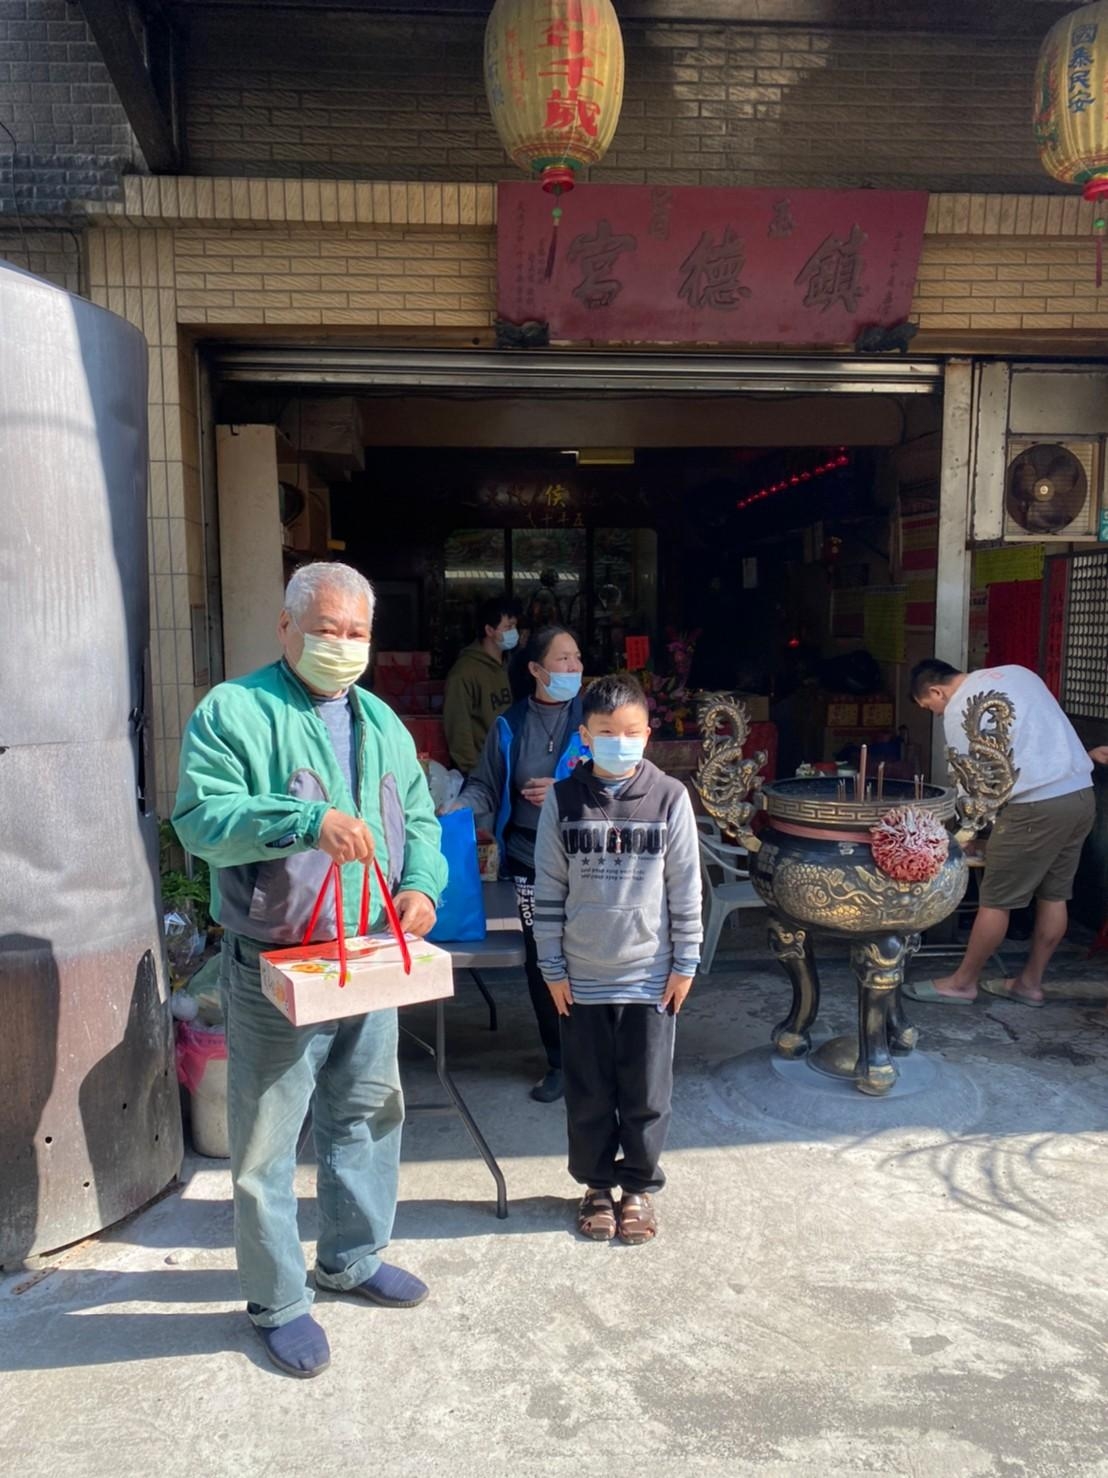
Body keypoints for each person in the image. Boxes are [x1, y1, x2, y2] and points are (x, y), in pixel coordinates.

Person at [172, 562, 447, 1379]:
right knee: (266, 1142)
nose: (342, 645)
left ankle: (352, 1259)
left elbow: (420, 816)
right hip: (278, 961)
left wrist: (420, 885)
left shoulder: (382, 721)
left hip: (366, 956)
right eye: (327, 629)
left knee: (367, 1114)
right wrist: (305, 821)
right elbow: (201, 820)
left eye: (357, 632)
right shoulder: (234, 711)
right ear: (286, 627)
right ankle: (277, 1300)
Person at [532, 675, 703, 1244]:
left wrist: (686, 963)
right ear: (584, 735)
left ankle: (638, 1190)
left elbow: (685, 887)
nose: (620, 742)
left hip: (650, 977)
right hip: (581, 979)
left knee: (647, 1096)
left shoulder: (669, 797)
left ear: (648, 735)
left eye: (631, 732)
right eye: (606, 732)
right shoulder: (564, 799)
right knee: (589, 1094)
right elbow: (548, 889)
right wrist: (552, 968)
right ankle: (597, 1187)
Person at [906, 658, 1096, 1008]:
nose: (935, 713)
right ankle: (1029, 984)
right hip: (1080, 794)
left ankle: (962, 983)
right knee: (1054, 896)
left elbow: (974, 784)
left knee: (996, 900)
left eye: (929, 707)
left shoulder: (960, 708)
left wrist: (968, 833)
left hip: (1034, 807)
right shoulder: (1019, 673)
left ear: (936, 691)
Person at [453, 626, 588, 1102]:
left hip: (590, 860)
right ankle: (560, 1061)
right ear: (535, 669)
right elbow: (485, 785)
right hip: (531, 861)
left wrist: (567, 792)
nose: (574, 667)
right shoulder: (509, 726)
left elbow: (624, 779)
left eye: (576, 658)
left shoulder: (596, 717)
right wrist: (457, 806)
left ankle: (597, 1058)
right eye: (563, 659)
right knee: (544, 961)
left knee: (592, 957)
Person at [443, 594, 519, 774]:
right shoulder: (464, 673)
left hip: (509, 767)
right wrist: (474, 773)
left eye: (515, 626)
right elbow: (458, 728)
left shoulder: (510, 666)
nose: (514, 632)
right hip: (484, 771)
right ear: (489, 630)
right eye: (508, 627)